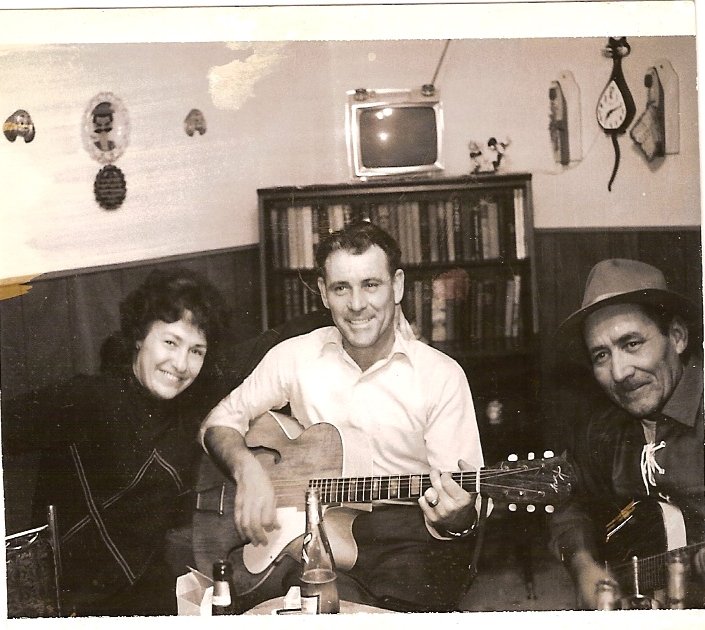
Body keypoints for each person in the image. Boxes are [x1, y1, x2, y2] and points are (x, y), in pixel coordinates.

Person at [200, 221, 486, 612]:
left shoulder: (442, 377)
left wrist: (458, 514)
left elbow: (463, 513)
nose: (356, 304)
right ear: (323, 292)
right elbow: (219, 421)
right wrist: (246, 469)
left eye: (371, 284)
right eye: (341, 288)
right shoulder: (295, 356)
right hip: (315, 533)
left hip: (409, 539)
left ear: (397, 286)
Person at [2, 267, 231, 616]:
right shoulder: (91, 397)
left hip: (149, 598)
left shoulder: (191, 408)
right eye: (170, 342)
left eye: (196, 350)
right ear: (140, 337)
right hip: (69, 606)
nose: (181, 364)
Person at [548, 258, 704, 609]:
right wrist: (583, 565)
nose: (619, 373)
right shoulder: (604, 425)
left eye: (632, 344)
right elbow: (571, 502)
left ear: (677, 337)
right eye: (601, 355)